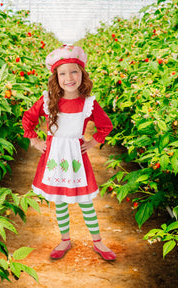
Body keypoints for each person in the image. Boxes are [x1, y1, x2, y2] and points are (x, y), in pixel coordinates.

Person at [22, 45, 116, 261]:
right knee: (60, 201)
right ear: (56, 78)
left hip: (77, 159)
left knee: (85, 201)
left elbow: (105, 125)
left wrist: (92, 143)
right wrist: (35, 140)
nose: (69, 77)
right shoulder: (47, 100)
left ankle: (98, 241)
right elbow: (28, 118)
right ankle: (65, 239)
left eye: (74, 71)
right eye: (62, 73)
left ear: (83, 75)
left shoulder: (88, 103)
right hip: (54, 157)